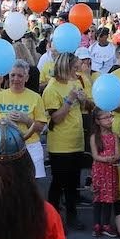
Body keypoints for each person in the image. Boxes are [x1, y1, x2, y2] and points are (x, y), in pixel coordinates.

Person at [42, 52, 91, 229]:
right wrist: (69, 100)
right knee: (58, 183)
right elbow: (56, 118)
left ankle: (72, 217)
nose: (76, 71)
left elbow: (86, 108)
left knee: (72, 183)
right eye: (74, 68)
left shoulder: (75, 82)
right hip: (60, 145)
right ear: (65, 67)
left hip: (76, 140)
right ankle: (52, 220)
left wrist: (84, 101)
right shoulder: (51, 88)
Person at [89, 109, 119, 238]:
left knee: (108, 197)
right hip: (99, 170)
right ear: (97, 121)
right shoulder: (94, 137)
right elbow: (95, 155)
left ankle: (106, 224)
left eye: (110, 117)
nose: (109, 120)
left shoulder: (115, 136)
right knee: (98, 196)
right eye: (105, 118)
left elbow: (118, 153)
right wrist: (106, 159)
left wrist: (114, 158)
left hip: (111, 170)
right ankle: (96, 224)